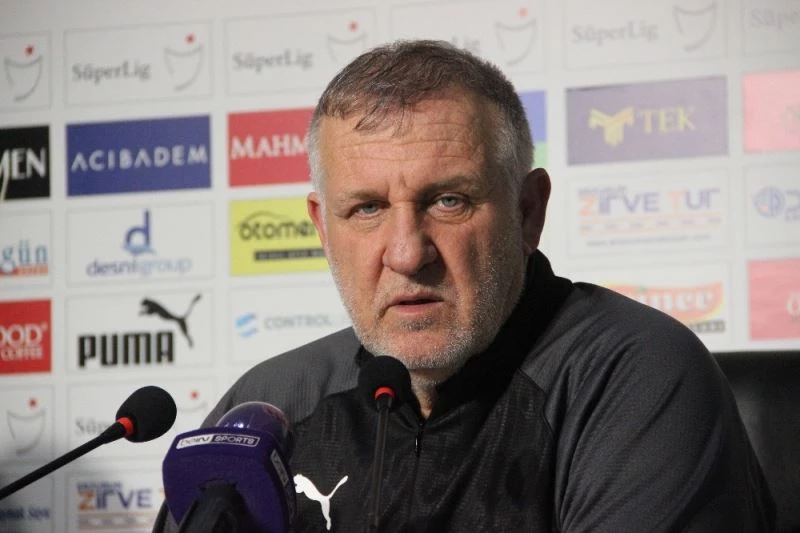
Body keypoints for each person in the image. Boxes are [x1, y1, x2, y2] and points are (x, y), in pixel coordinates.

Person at [154, 40, 775, 532]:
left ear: (528, 212)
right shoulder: (272, 404)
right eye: (367, 208)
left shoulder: (635, 375)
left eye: (448, 201)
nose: (406, 253)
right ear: (322, 227)